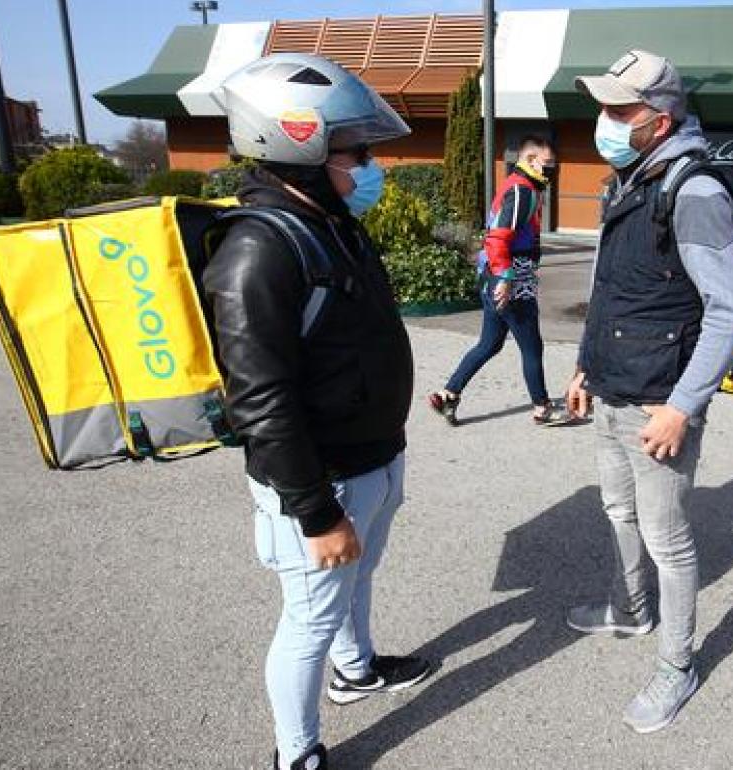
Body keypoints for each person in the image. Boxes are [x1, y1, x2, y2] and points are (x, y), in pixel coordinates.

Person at [203, 53, 432, 770]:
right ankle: (296, 754)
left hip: (372, 457)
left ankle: (356, 671)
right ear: (294, 144)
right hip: (322, 483)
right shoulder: (256, 252)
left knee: (354, 586)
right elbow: (260, 400)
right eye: (355, 152)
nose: (368, 166)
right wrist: (315, 512)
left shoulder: (328, 222)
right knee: (308, 619)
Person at [564, 50, 733, 734]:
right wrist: (584, 366)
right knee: (617, 509)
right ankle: (630, 610)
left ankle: (677, 667)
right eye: (604, 106)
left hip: (656, 405)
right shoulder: (630, 179)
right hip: (612, 386)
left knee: (668, 541)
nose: (604, 121)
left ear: (661, 120)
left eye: (620, 109)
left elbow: (728, 310)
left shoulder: (691, 190)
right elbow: (611, 288)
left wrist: (682, 406)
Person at [428, 136, 569, 426]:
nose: (551, 171)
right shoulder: (522, 190)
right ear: (530, 161)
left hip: (495, 274)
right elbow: (498, 237)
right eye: (548, 165)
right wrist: (505, 278)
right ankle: (542, 408)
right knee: (532, 345)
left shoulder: (517, 186)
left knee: (489, 344)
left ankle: (448, 394)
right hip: (512, 275)